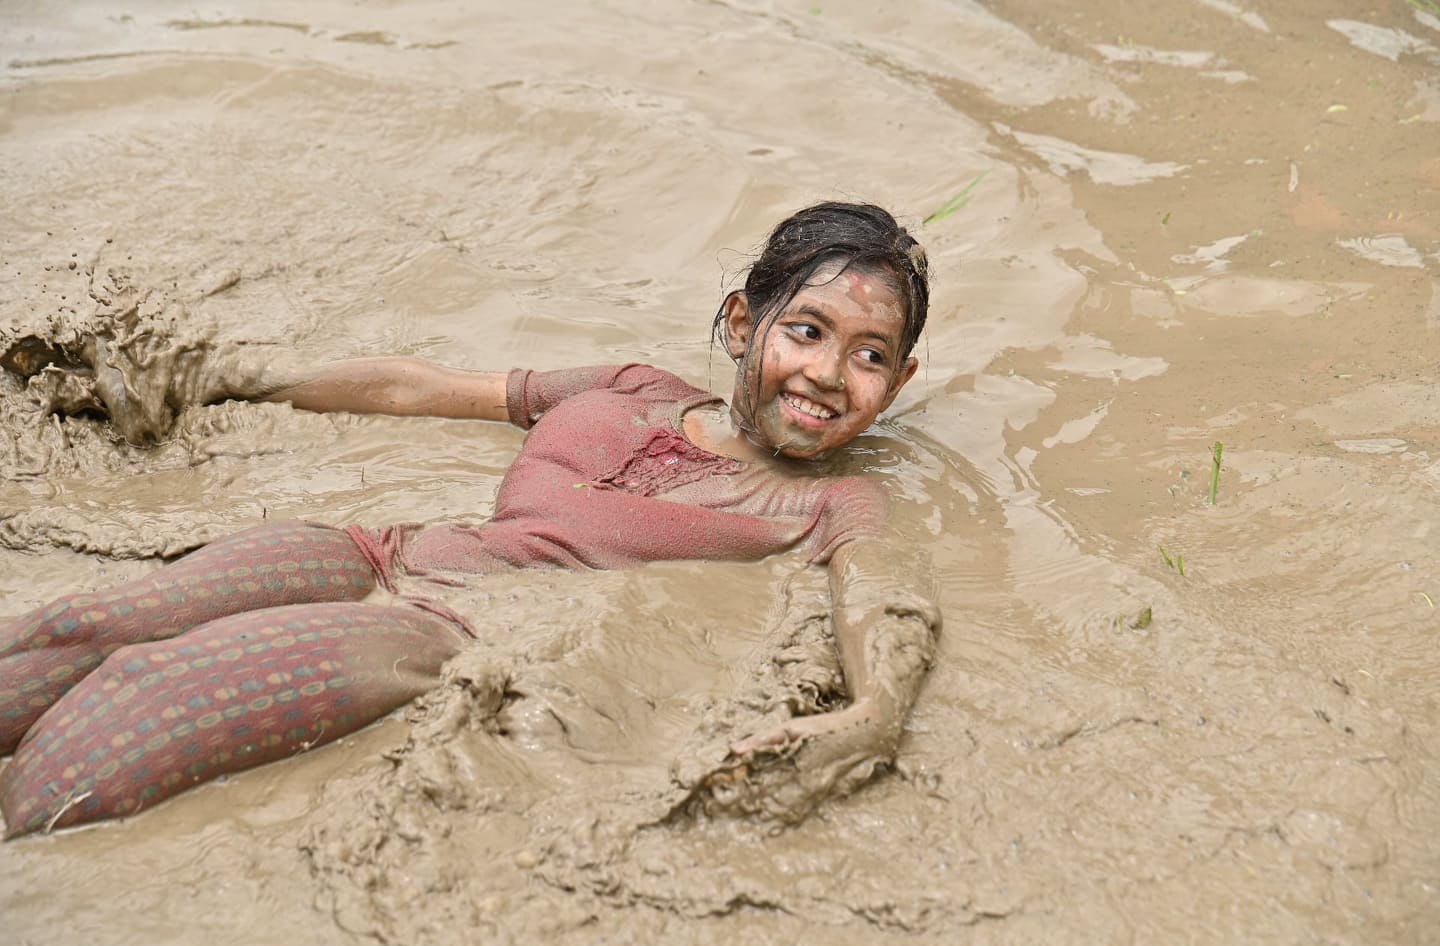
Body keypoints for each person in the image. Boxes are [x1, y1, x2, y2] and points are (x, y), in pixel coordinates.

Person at [0, 201, 941, 837]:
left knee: (138, 700)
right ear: (745, 323)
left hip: (442, 628)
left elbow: (883, 599)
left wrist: (873, 716)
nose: (826, 373)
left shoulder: (829, 502)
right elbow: (420, 390)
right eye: (808, 331)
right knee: (75, 629)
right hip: (373, 553)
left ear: (895, 384)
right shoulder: (632, 388)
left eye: (868, 356)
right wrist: (218, 380)